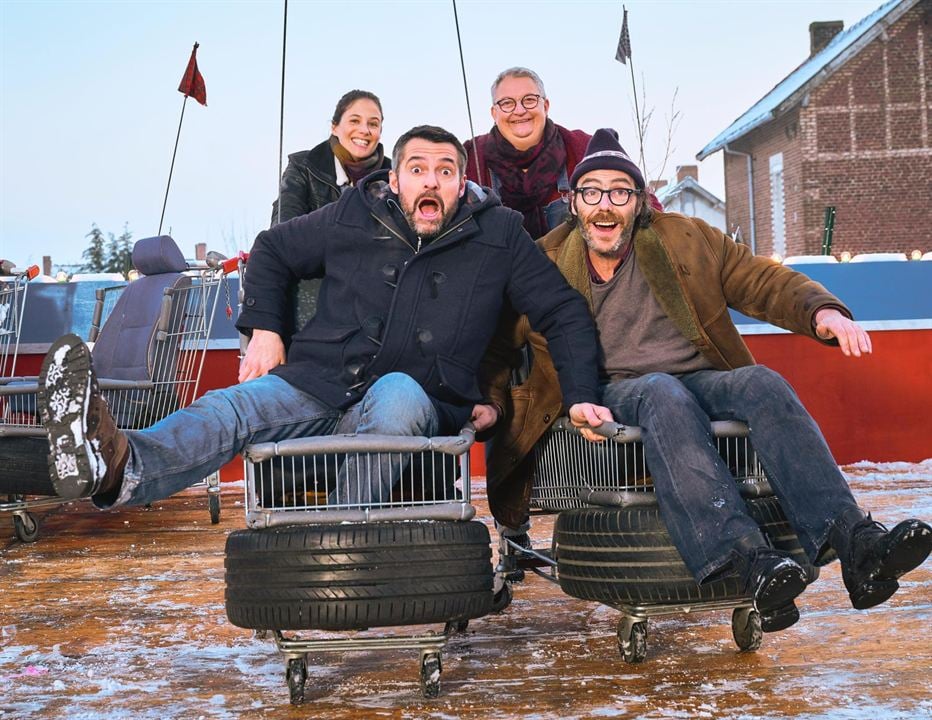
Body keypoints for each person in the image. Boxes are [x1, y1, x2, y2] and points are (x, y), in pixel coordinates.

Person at [480, 128, 931, 632]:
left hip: (699, 378)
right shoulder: (544, 260)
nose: (605, 205)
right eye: (591, 192)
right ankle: (745, 556)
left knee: (761, 382)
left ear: (638, 202)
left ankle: (856, 543)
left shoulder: (684, 239)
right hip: (611, 392)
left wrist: (821, 310)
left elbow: (759, 278)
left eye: (619, 192)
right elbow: (498, 343)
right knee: (660, 391)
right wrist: (491, 403)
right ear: (573, 202)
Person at [36, 125, 609, 510]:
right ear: (395, 178)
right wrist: (265, 328)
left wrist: (583, 392)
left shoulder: (499, 233)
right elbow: (272, 250)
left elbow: (563, 311)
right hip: (318, 381)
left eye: (445, 170)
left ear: (463, 182)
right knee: (231, 407)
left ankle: (332, 542)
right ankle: (115, 464)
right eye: (417, 168)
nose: (431, 180)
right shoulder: (354, 213)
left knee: (399, 398)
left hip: (419, 395)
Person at [463, 67, 592, 240]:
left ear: (545, 106)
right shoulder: (469, 158)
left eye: (529, 100)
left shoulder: (583, 149)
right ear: (494, 113)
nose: (520, 110)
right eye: (507, 103)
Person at [271, 89, 391, 226]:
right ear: (334, 127)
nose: (364, 130)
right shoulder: (303, 168)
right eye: (354, 121)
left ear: (380, 131)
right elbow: (282, 230)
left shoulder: (396, 177)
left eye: (373, 124)